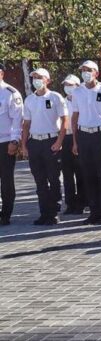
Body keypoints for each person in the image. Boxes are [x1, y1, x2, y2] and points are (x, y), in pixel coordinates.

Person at [70, 60, 101, 225]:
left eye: (88, 70)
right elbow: (74, 117)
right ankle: (93, 211)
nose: (85, 72)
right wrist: (75, 142)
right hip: (84, 135)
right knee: (87, 175)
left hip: (100, 135)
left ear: (96, 73)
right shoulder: (77, 91)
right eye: (83, 70)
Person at [21, 69, 67, 225]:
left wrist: (59, 142)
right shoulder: (29, 100)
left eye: (39, 77)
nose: (36, 80)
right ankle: (44, 212)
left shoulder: (55, 97)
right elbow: (26, 124)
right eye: (33, 77)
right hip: (35, 143)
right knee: (40, 180)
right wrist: (24, 145)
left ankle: (54, 212)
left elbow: (64, 121)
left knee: (53, 179)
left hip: (51, 141)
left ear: (47, 80)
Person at [59, 76, 85, 215]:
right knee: (67, 174)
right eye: (66, 84)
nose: (68, 87)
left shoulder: (82, 100)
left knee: (80, 172)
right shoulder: (61, 101)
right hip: (65, 138)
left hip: (79, 136)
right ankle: (70, 203)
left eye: (71, 84)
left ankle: (81, 202)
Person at [0, 64, 22, 226]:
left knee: (6, 180)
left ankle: (5, 214)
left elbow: (17, 119)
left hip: (5, 142)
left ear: (1, 73)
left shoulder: (10, 93)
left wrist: (15, 140)